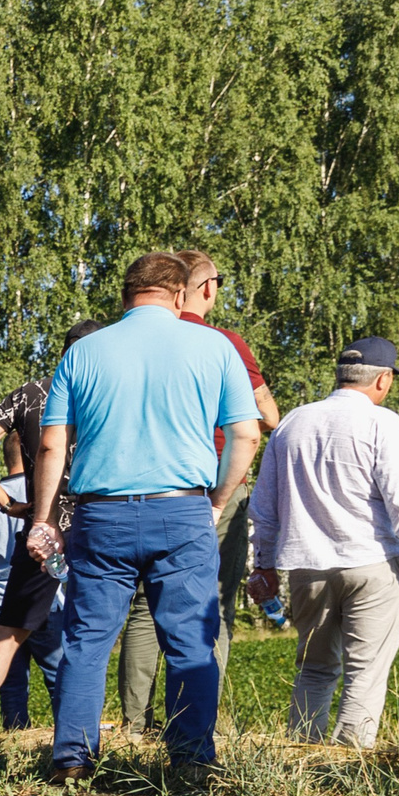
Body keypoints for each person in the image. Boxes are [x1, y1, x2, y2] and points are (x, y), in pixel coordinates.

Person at [25, 252, 261, 786]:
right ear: (181, 296)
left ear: (126, 296)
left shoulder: (84, 351)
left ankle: (72, 759)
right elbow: (246, 434)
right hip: (182, 508)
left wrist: (44, 519)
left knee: (88, 640)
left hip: (99, 514)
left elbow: (51, 444)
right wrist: (218, 501)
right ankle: (192, 762)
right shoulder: (214, 347)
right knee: (189, 640)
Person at [117, 249, 284, 728]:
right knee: (212, 601)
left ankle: (134, 723)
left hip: (146, 484)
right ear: (207, 288)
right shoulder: (223, 342)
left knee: (147, 606)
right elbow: (265, 418)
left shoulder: (129, 338)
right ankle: (194, 721)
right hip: (214, 483)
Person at [247, 336, 399, 748]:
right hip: (371, 563)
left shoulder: (293, 421)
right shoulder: (382, 423)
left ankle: (300, 758)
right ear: (383, 380)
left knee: (314, 669)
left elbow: (265, 506)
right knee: (365, 672)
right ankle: (348, 765)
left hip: (307, 567)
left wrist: (264, 566)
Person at [0, 319, 109, 725]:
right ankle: (85, 731)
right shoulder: (113, 391)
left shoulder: (32, 394)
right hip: (104, 522)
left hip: (45, 528)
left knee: (8, 632)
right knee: (90, 633)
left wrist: (6, 501)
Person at [0, 433, 62, 728]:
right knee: (60, 674)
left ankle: (13, 730)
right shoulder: (49, 489)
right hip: (45, 598)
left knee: (8, 677)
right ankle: (70, 731)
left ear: (6, 457)